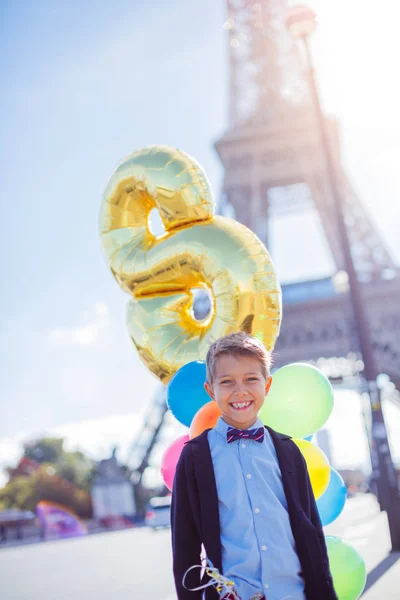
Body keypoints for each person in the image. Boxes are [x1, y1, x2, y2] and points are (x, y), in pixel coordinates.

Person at [171, 332, 337, 600]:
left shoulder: (288, 451)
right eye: (227, 382)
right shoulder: (193, 458)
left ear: (267, 385)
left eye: (251, 379)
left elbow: (312, 532)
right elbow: (184, 547)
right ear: (210, 390)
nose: (240, 391)